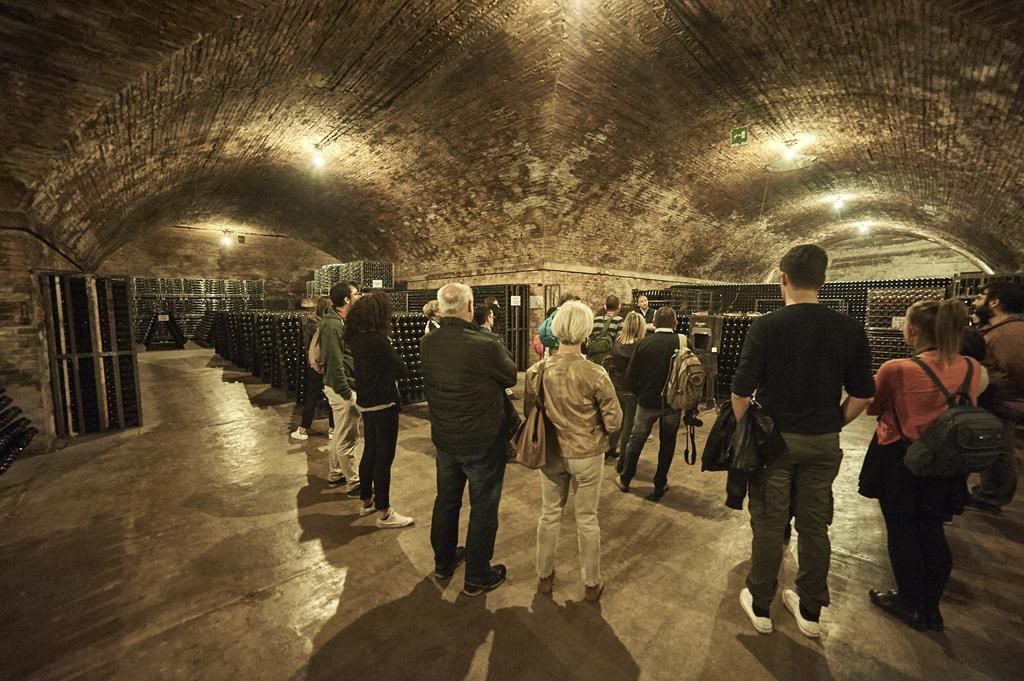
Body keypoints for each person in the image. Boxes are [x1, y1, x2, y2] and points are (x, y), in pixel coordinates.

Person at [731, 244, 875, 639]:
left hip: (775, 442)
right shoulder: (848, 329)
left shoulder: (767, 326)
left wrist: (750, 431)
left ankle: (760, 605)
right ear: (823, 280)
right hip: (823, 442)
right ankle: (810, 611)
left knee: (769, 522)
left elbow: (740, 391)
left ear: (783, 278)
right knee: (814, 525)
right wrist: (832, 423)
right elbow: (863, 395)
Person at [860, 299, 986, 632]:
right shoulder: (972, 367)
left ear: (913, 329)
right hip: (948, 460)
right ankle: (931, 608)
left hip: (903, 459)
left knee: (902, 530)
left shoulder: (897, 368)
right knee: (931, 529)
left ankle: (908, 601)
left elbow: (873, 407)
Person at [421, 283, 519, 596]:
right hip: (482, 442)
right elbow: (511, 375)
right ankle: (477, 575)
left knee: (446, 500)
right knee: (483, 507)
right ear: (470, 306)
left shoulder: (428, 342)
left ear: (440, 308)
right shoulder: (484, 344)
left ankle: (443, 561)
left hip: (446, 439)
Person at [526, 301, 622, 602]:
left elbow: (530, 411)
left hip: (551, 452)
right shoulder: (596, 373)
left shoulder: (537, 370)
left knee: (549, 515)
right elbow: (614, 421)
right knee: (587, 518)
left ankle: (544, 577)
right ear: (586, 331)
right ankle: (591, 583)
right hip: (587, 453)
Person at [345, 293, 414, 529]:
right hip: (383, 403)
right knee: (384, 458)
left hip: (366, 401)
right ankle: (384, 513)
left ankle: (367, 501)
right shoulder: (377, 340)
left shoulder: (356, 337)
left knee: (370, 452)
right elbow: (402, 369)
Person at [614, 306, 684, 500]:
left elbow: (630, 377)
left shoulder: (644, 344)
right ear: (675, 323)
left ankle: (625, 479)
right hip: (672, 404)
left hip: (646, 402)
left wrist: (641, 393)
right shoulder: (683, 343)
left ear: (654, 323)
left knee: (636, 440)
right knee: (667, 443)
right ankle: (660, 484)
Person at [966, 281, 1024, 514]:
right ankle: (989, 492)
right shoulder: (1001, 329)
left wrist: (986, 382)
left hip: (1001, 402)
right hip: (997, 400)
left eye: (981, 296)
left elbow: (1015, 372)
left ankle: (992, 497)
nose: (976, 301)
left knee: (999, 451)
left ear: (995, 302)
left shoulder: (1009, 334)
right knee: (994, 448)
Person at [321, 281, 362, 492]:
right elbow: (334, 361)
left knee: (339, 433)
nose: (359, 297)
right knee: (348, 438)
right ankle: (354, 483)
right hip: (341, 387)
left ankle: (336, 472)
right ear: (347, 299)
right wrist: (346, 391)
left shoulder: (340, 321)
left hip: (341, 385)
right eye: (356, 294)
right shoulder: (333, 325)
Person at [291, 296, 336, 441]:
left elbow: (308, 346)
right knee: (332, 398)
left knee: (311, 397)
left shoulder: (311, 324)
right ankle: (332, 430)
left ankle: (303, 429)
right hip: (330, 365)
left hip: (315, 365)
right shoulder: (333, 325)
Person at [606, 311, 646, 465]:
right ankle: (623, 459)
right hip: (631, 389)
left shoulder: (617, 341)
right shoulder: (639, 345)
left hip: (616, 386)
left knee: (617, 421)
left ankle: (609, 449)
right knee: (628, 426)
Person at [587, 295, 624, 365]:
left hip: (594, 358)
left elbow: (589, 337)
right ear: (619, 307)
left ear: (605, 307)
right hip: (610, 360)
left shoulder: (596, 320)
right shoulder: (619, 321)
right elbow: (620, 341)